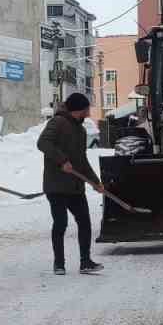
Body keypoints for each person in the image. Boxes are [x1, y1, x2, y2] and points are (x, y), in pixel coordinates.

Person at [37, 92, 106, 275]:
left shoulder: (80, 130)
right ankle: (59, 264)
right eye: (86, 108)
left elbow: (82, 161)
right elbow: (42, 143)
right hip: (56, 185)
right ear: (78, 109)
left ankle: (85, 262)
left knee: (84, 222)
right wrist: (62, 160)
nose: (88, 112)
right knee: (61, 223)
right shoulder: (57, 122)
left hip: (75, 186)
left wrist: (95, 182)